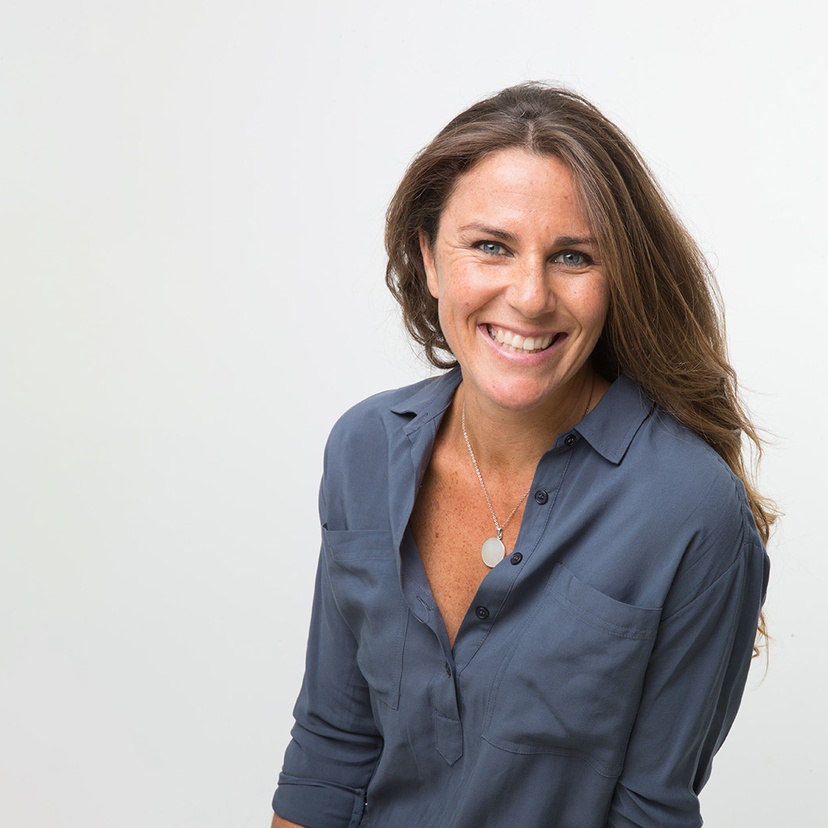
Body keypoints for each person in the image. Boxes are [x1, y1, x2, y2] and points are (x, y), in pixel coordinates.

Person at [270, 82, 773, 828]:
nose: (530, 296)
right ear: (430, 260)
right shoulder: (362, 450)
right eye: (491, 247)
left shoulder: (692, 512)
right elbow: (330, 754)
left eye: (573, 257)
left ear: (617, 281)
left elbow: (649, 814)